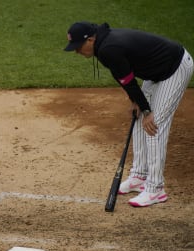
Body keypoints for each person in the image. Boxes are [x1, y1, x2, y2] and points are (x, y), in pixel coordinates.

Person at [64, 21, 193, 207]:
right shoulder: (102, 47)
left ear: (91, 39)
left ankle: (156, 189)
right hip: (156, 72)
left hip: (174, 69)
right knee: (139, 117)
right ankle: (139, 176)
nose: (76, 51)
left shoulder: (108, 48)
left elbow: (129, 81)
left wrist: (148, 110)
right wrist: (136, 102)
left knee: (153, 125)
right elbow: (125, 78)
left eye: (78, 46)